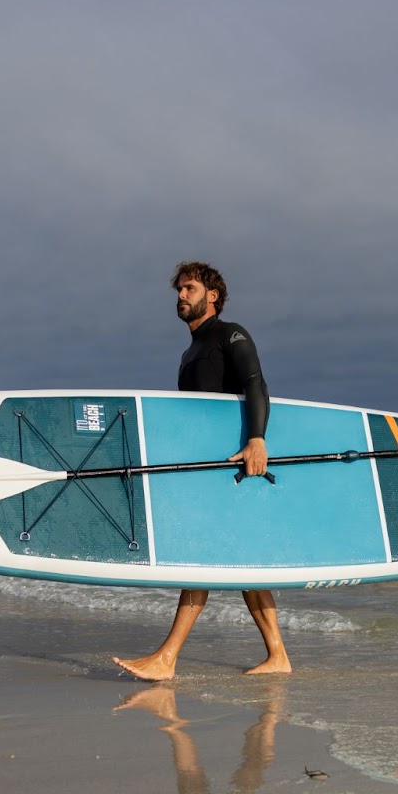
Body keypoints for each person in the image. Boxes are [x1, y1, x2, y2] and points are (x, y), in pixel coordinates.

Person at [113, 261, 292, 681]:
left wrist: (257, 440)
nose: (181, 295)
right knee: (238, 557)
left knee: (205, 555)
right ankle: (278, 656)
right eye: (178, 290)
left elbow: (255, 383)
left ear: (212, 295)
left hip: (237, 463)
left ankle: (167, 658)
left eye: (189, 288)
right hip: (209, 466)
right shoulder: (188, 354)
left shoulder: (231, 333)